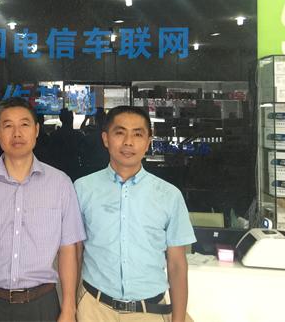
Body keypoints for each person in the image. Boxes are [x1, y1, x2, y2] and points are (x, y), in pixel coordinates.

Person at [0, 97, 86, 322]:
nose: (17, 133)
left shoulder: (60, 183)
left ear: (36, 130)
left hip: (41, 304)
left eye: (24, 124)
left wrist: (68, 308)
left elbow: (68, 250)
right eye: (8, 126)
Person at [74, 106, 196, 322]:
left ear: (148, 142)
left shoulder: (169, 195)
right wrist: (71, 306)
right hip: (94, 309)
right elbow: (75, 252)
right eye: (120, 133)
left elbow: (177, 264)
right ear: (105, 139)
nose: (128, 142)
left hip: (149, 312)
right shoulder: (82, 189)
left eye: (138, 134)